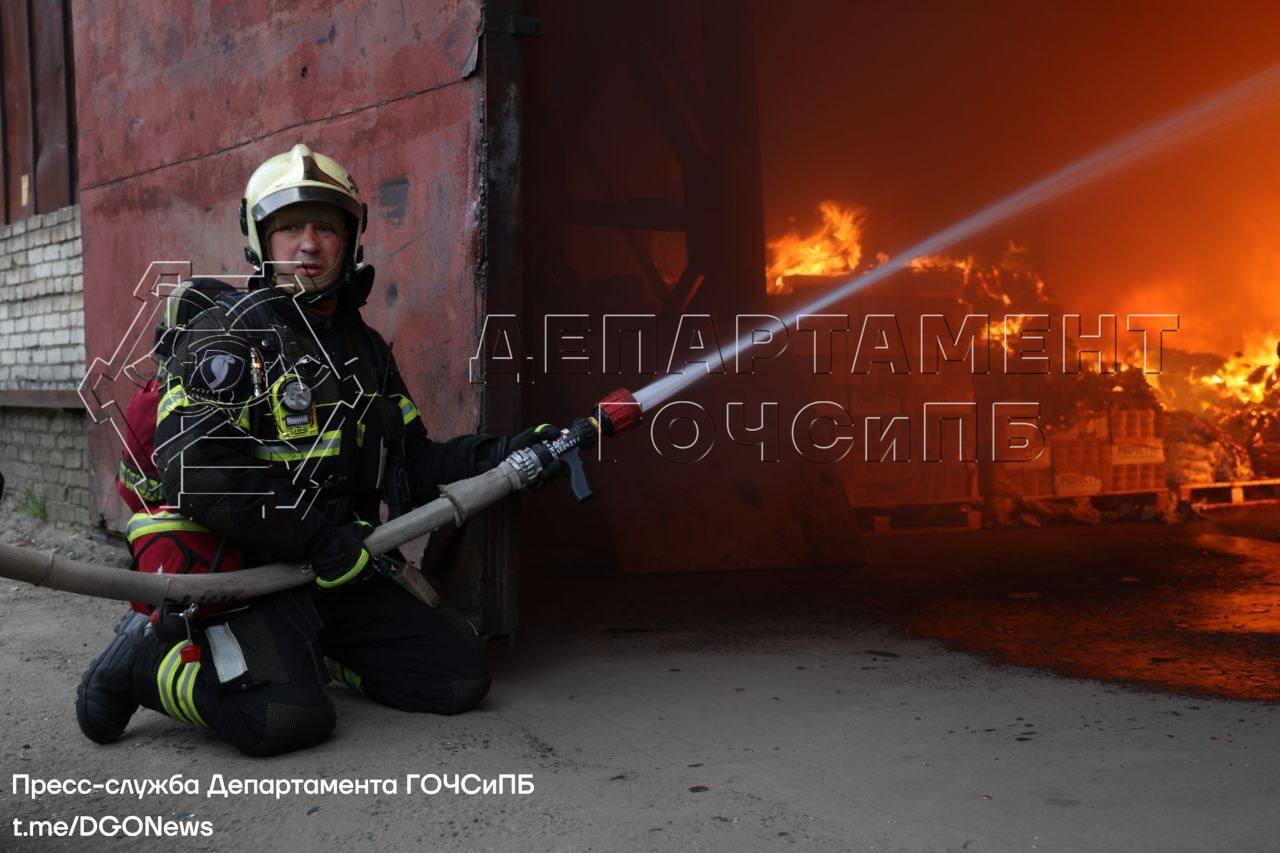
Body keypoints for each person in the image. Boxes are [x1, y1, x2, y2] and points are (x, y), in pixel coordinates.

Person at [76, 144, 558, 756]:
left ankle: (310, 649)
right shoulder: (227, 334)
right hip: (250, 572)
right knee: (283, 716)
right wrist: (316, 539)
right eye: (289, 229)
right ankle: (146, 664)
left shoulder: (366, 350)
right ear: (260, 240)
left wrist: (511, 456)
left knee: (457, 677)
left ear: (350, 239)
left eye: (326, 227)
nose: (309, 244)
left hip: (333, 569)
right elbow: (199, 471)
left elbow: (413, 462)